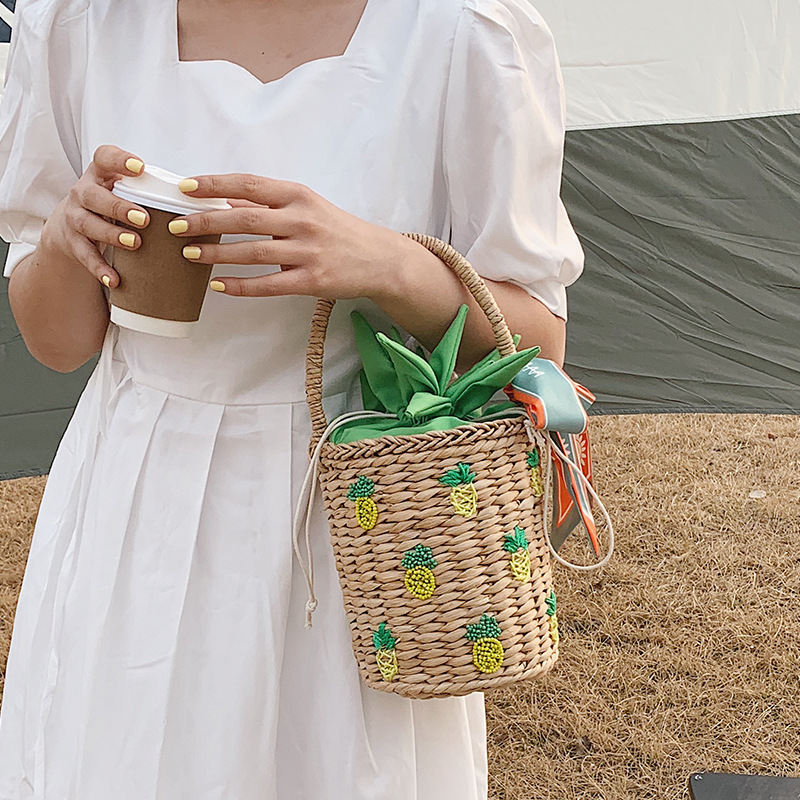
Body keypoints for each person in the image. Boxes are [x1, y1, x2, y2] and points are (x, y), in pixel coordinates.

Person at [0, 0, 583, 797]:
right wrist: (68, 241)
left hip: (357, 524)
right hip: (135, 511)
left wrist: (386, 263)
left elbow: (537, 343)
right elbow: (57, 343)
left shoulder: (466, 32)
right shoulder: (79, 23)